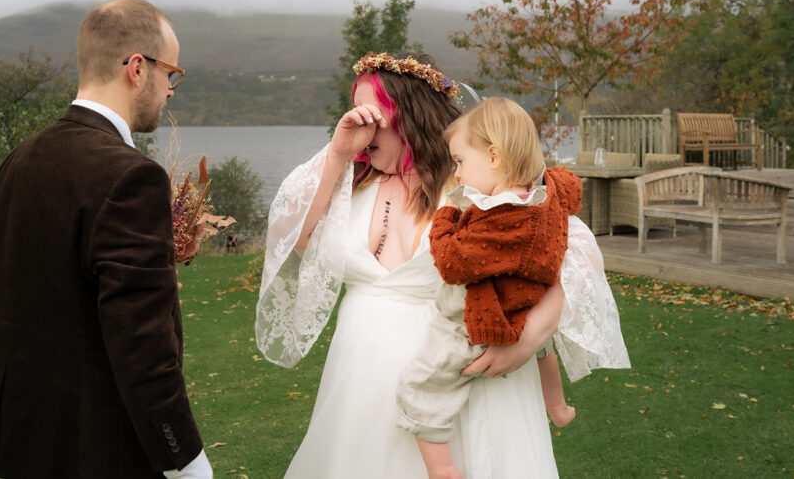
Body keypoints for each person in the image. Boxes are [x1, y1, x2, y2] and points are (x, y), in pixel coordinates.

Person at [256, 52, 566, 478]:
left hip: (469, 390)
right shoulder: (348, 179)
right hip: (360, 389)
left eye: (375, 114)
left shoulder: (479, 180)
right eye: (356, 110)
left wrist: (528, 340)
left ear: (410, 113)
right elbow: (293, 239)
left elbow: (556, 264)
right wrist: (338, 154)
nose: (364, 124)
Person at [0, 0, 212, 479]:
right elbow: (142, 346)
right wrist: (186, 460)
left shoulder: (18, 161)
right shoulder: (131, 177)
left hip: (22, 443)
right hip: (99, 447)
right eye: (171, 74)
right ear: (138, 68)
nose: (171, 91)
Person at [397, 97, 629, 479]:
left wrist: (444, 218)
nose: (455, 174)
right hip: (526, 307)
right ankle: (557, 406)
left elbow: (454, 264)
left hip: (481, 318)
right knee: (542, 349)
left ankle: (441, 467)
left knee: (422, 383)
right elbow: (571, 188)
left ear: (493, 157)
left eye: (459, 162)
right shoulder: (548, 193)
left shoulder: (501, 219)